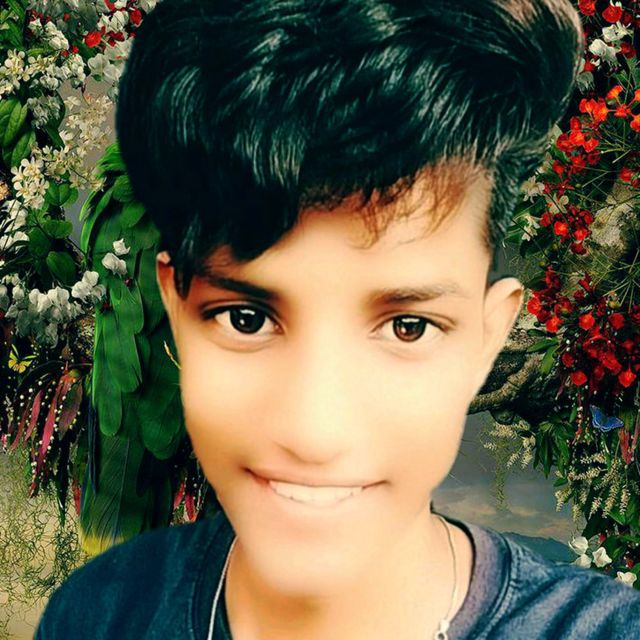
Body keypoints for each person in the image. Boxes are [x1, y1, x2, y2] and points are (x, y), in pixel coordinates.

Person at [35, 0, 640, 638]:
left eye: (408, 327)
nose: (315, 435)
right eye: (245, 319)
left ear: (488, 339)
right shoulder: (96, 614)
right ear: (176, 313)